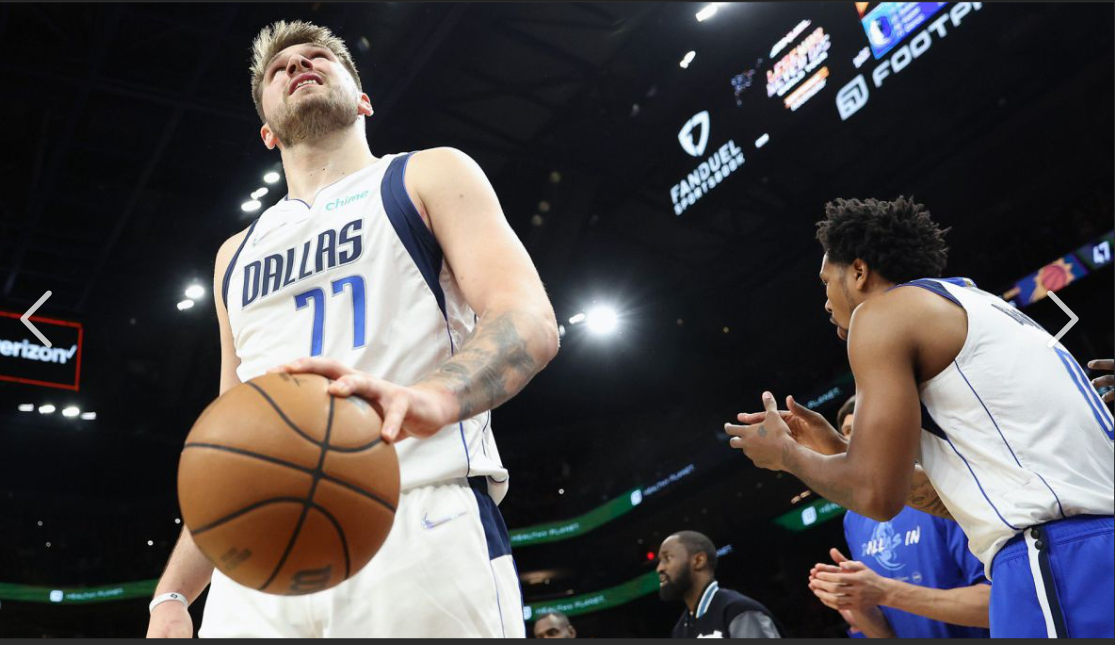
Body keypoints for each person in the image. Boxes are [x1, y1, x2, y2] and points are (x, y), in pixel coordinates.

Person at [145, 20, 559, 638]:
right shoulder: (234, 255)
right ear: (267, 131)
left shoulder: (426, 175)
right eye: (278, 68)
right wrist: (173, 593)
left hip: (413, 511)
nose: (298, 65)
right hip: (261, 552)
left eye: (317, 56)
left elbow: (528, 320)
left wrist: (432, 397)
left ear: (363, 100)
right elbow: (229, 443)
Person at [726, 196, 1114, 637]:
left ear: (858, 271)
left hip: (1058, 557)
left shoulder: (881, 314)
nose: (827, 302)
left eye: (825, 282)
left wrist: (785, 456)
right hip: (1087, 546)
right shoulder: (980, 304)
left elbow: (876, 496)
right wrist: (836, 448)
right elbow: (952, 500)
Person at [808, 396, 990, 638]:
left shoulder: (941, 493)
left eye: (863, 427)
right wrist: (855, 601)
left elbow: (995, 604)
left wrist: (885, 592)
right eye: (848, 432)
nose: (853, 441)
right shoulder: (854, 518)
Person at [656, 531, 782, 638]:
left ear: (699, 560)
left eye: (667, 558)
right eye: (660, 561)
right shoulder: (679, 630)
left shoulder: (738, 611)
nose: (659, 568)